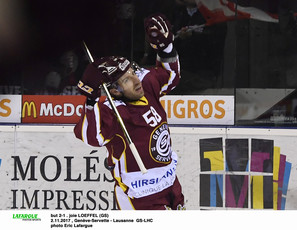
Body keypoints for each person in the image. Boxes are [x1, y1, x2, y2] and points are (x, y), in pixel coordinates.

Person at [74, 13, 185, 210]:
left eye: (133, 73)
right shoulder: (111, 110)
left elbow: (171, 76)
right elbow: (91, 137)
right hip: (139, 198)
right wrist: (90, 99)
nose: (136, 81)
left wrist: (165, 48)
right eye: (126, 80)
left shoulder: (147, 84)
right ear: (114, 90)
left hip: (171, 186)